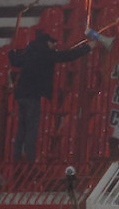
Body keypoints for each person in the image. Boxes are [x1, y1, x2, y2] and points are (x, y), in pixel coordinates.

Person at [8, 30, 95, 161]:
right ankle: (29, 159)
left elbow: (15, 61)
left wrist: (11, 53)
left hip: (21, 95)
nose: (55, 45)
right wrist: (87, 48)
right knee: (32, 128)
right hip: (34, 95)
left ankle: (17, 156)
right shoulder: (46, 54)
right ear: (47, 42)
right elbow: (67, 56)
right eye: (53, 42)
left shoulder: (29, 52)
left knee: (22, 127)